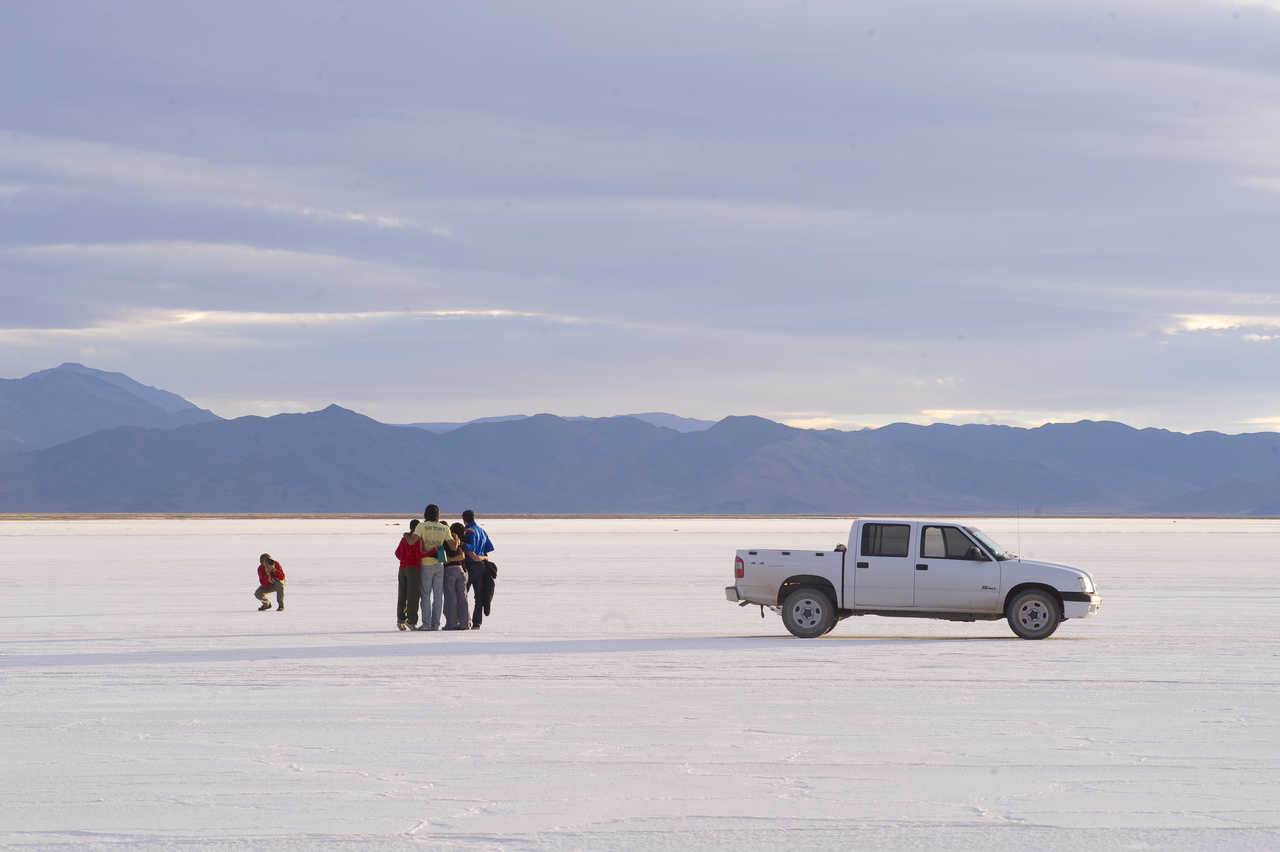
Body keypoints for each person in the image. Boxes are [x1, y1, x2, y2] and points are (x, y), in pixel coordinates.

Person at [415, 504, 456, 631]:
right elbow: (453, 547)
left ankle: (426, 624)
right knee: (438, 595)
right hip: (439, 562)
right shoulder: (444, 528)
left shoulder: (421, 526)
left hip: (426, 563)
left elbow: (413, 541)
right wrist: (456, 538)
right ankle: (436, 624)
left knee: (425, 594)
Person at [461, 509, 496, 629]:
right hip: (481, 566)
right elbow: (488, 548)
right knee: (479, 595)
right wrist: (483, 557)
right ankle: (477, 623)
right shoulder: (482, 531)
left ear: (464, 520)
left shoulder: (469, 531)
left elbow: (469, 549)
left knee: (463, 593)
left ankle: (463, 620)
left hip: (471, 566)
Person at [394, 520, 426, 630]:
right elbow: (419, 553)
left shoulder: (404, 539)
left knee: (402, 594)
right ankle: (411, 621)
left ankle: (400, 620)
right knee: (413, 595)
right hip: (413, 568)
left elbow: (397, 553)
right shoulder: (418, 539)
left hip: (402, 568)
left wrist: (404, 559)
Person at [441, 522, 470, 630]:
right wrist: (455, 559)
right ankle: (465, 623)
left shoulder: (441, 542)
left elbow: (442, 560)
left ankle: (451, 623)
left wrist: (449, 560)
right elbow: (462, 556)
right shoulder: (455, 540)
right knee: (463, 597)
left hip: (449, 572)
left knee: (451, 598)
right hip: (460, 570)